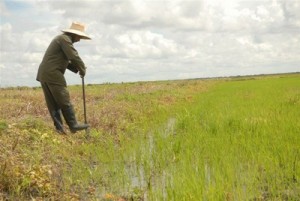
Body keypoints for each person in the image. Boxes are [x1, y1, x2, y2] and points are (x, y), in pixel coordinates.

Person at [36, 22, 91, 134]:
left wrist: (77, 69)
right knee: (64, 100)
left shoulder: (61, 39)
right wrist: (82, 69)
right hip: (53, 74)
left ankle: (59, 130)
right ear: (74, 34)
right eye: (79, 37)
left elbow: (64, 60)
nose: (79, 40)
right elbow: (73, 56)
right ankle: (73, 125)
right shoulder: (65, 39)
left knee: (53, 104)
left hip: (44, 74)